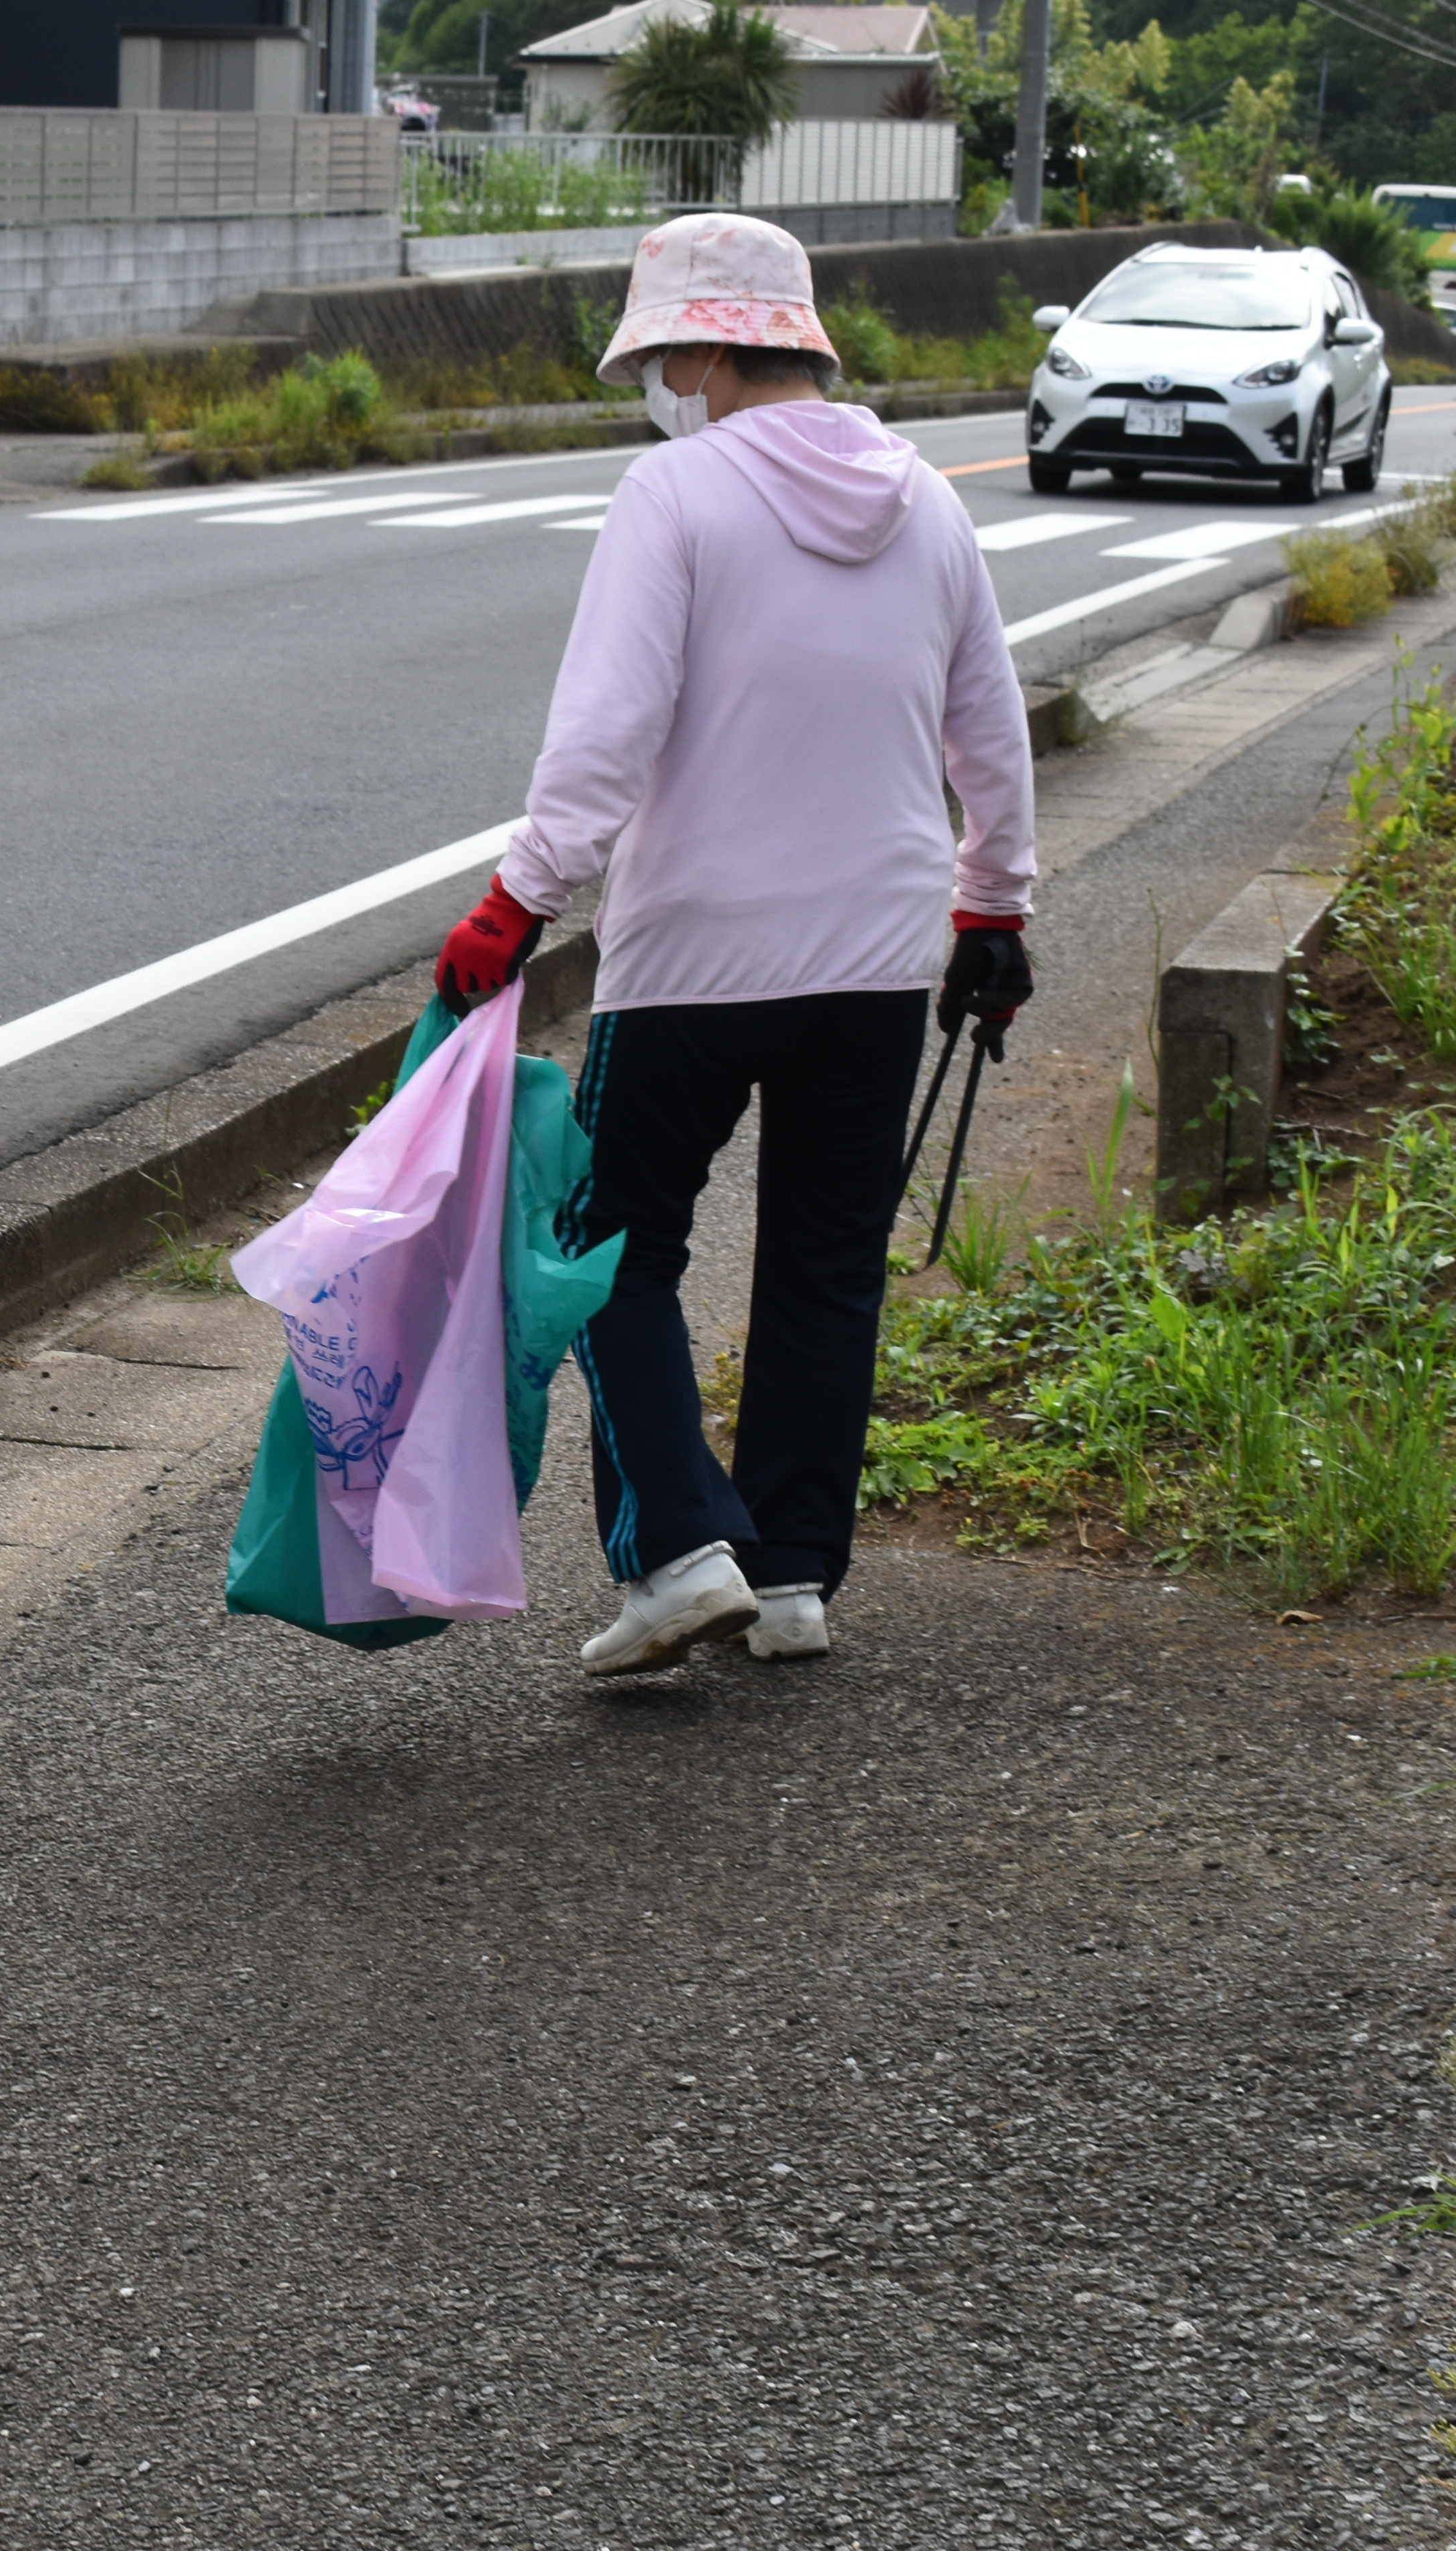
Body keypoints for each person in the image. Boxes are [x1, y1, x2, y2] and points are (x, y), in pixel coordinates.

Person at [425, 212, 1036, 1678]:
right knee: (828, 1259)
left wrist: (520, 899)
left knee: (605, 1246)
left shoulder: (676, 493)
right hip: (881, 950)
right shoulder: (928, 499)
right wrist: (994, 903)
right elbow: (991, 730)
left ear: (706, 347)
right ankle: (795, 1572)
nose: (665, 383)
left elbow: (606, 732)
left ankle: (680, 1551)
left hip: (699, 949)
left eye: (666, 357)